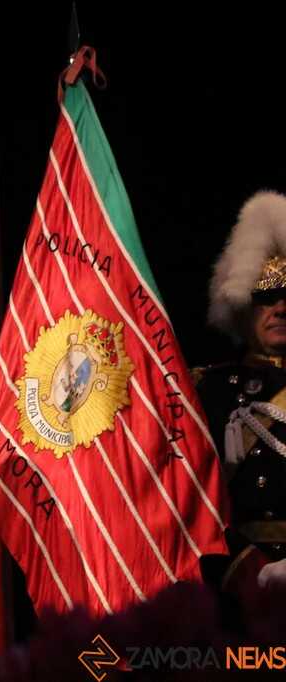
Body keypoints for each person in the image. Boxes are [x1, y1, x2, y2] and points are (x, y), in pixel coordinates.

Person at [196, 190, 286, 597]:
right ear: (243, 305)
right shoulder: (207, 390)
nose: (280, 308)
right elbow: (187, 500)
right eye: (266, 296)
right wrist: (245, 570)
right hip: (238, 589)